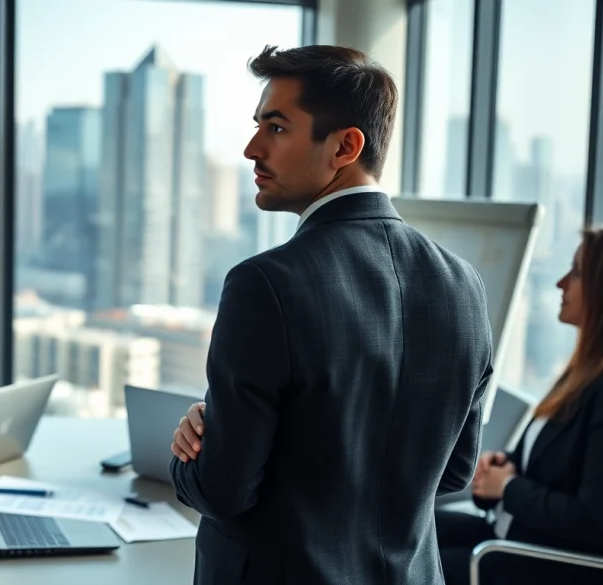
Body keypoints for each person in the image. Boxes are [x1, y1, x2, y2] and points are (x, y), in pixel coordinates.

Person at [168, 45, 494, 585]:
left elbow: (223, 491)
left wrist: (188, 457)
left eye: (275, 128)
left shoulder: (264, 285)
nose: (251, 149)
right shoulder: (465, 285)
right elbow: (454, 472)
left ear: (346, 146)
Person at [436, 226, 603, 585]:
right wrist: (505, 472)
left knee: (405, 564)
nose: (560, 283)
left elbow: (594, 519)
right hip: (517, 542)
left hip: (550, 567)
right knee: (403, 530)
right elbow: (562, 473)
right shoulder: (590, 375)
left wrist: (509, 488)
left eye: (577, 272)